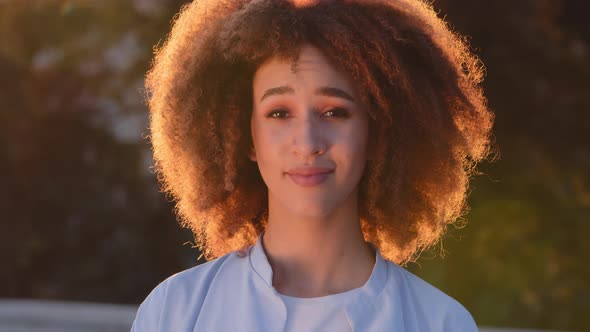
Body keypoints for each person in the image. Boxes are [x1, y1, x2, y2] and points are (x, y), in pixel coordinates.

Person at [131, 0, 495, 331]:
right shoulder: (176, 312)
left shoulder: (440, 323)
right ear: (245, 136)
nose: (307, 143)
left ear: (378, 132)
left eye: (334, 112)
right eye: (279, 113)